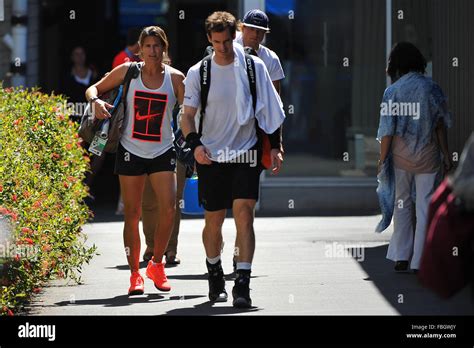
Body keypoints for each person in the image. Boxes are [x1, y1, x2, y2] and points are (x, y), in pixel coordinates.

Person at [181, 11, 285, 308]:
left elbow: (271, 111)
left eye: (227, 41)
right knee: (213, 221)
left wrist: (275, 147)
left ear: (233, 36)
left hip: (247, 151)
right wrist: (195, 145)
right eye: (217, 42)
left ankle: (242, 282)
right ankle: (215, 271)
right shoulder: (198, 72)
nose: (224, 48)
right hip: (211, 155)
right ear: (209, 40)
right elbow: (188, 117)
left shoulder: (254, 67)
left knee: (244, 215)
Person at [85, 26, 185, 295]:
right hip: (131, 150)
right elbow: (93, 88)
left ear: (164, 49)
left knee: (168, 209)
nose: (153, 51)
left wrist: (196, 141)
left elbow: (191, 112)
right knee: (132, 213)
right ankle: (134, 275)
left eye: (157, 46)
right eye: (148, 46)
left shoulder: (176, 79)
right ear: (140, 48)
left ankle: (157, 264)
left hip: (163, 150)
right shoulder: (128, 71)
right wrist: (95, 101)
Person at [376, 42, 452, 273]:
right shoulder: (432, 88)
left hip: (401, 157)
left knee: (402, 204)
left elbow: (387, 130)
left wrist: (382, 160)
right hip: (428, 156)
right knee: (425, 206)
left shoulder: (393, 91)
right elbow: (440, 125)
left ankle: (401, 256)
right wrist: (446, 154)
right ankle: (420, 260)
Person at [231, 8, 285, 271]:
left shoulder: (270, 58)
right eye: (252, 29)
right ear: (242, 28)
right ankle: (215, 263)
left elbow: (275, 104)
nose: (256, 35)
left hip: (255, 138)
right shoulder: (226, 50)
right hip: (224, 134)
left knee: (246, 203)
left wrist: (276, 144)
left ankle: (239, 255)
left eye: (261, 32)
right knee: (221, 205)